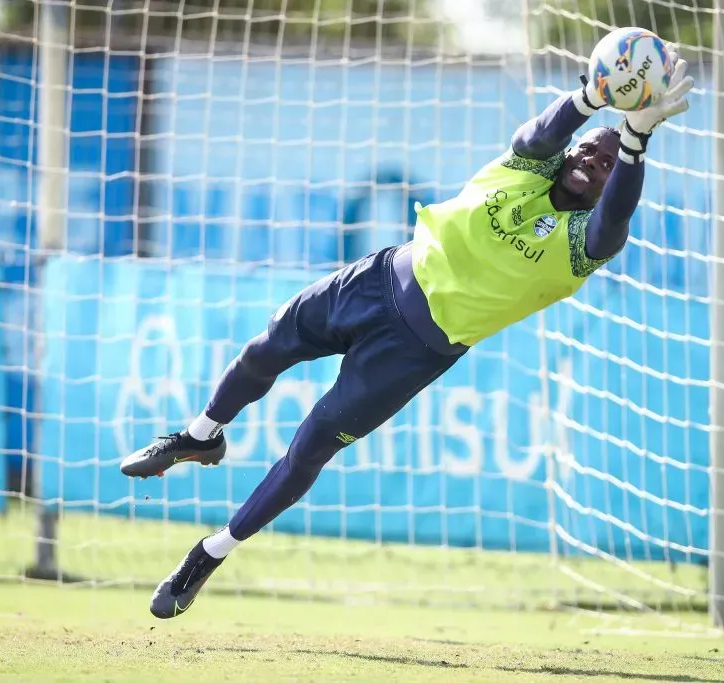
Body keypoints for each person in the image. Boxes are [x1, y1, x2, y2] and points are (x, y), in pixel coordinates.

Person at [119, 48, 694, 619]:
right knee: (264, 349)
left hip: (413, 351)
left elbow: (615, 217)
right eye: (589, 148)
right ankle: (200, 436)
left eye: (606, 165)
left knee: (311, 447)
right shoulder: (527, 166)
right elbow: (543, 133)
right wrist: (591, 98)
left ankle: (210, 553)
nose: (592, 159)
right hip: (377, 279)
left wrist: (635, 141)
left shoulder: (583, 245)